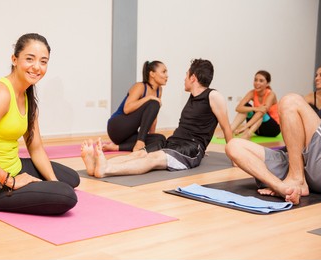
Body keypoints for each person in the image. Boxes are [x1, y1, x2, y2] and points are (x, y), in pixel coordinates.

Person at [0, 33, 79, 215]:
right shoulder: (0, 93)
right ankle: (2, 183)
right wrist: (10, 180)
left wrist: (52, 182)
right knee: (67, 195)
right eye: (30, 59)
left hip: (15, 167)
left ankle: (42, 184)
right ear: (14, 59)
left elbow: (36, 149)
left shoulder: (28, 96)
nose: (37, 67)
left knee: (71, 178)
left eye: (43, 62)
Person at [81, 58, 232, 178]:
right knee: (140, 153)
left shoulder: (214, 96)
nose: (183, 78)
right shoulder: (192, 97)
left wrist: (234, 156)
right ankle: (96, 164)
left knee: (153, 159)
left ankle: (106, 169)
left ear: (193, 78)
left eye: (186, 75)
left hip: (189, 148)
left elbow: (226, 127)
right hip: (173, 141)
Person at [225, 65, 321, 205]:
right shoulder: (252, 93)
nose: (317, 78)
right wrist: (293, 151)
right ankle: (282, 187)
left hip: (320, 161)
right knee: (233, 146)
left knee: (289, 100)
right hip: (301, 161)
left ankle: (296, 179)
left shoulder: (270, 94)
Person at [102, 61, 168, 152]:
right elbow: (126, 109)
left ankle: (117, 147)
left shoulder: (159, 90)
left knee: (161, 139)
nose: (167, 75)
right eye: (163, 72)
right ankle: (140, 142)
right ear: (152, 74)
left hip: (130, 134)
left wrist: (151, 137)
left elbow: (153, 117)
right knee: (154, 103)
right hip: (116, 126)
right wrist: (149, 97)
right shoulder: (140, 86)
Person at [217, 70, 280, 140]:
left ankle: (248, 134)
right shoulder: (252, 93)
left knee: (261, 112)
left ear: (267, 83)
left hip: (273, 129)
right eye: (255, 80)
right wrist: (254, 109)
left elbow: (261, 112)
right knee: (247, 106)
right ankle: (229, 131)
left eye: (261, 81)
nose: (257, 83)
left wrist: (245, 127)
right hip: (259, 130)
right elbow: (238, 108)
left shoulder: (271, 94)